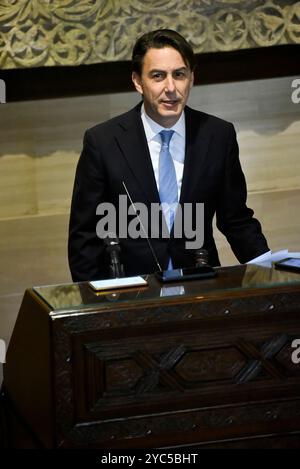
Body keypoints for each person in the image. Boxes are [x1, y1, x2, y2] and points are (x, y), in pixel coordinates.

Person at [68, 29, 269, 282]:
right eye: (158, 76)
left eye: (179, 75)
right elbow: (84, 237)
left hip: (200, 287)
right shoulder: (103, 142)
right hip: (131, 294)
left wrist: (270, 272)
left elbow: (237, 221)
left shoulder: (218, 135)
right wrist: (95, 304)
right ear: (138, 81)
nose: (171, 88)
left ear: (191, 78)